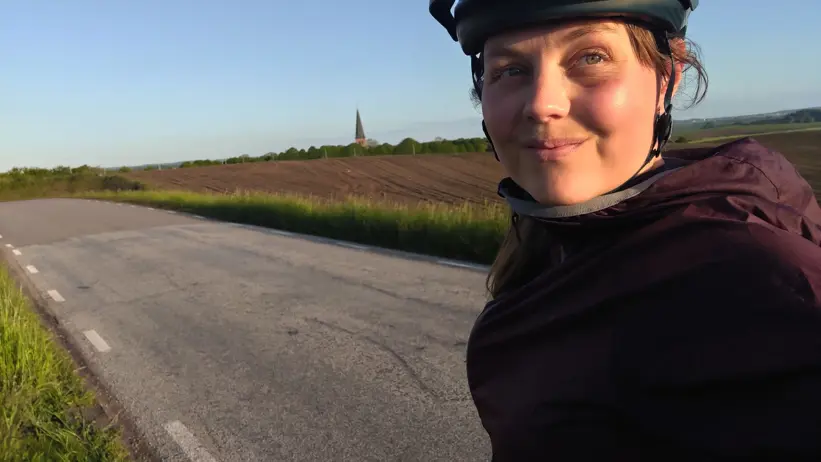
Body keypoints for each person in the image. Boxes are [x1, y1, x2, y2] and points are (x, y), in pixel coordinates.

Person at [429, 0, 821, 460]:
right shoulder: (548, 250)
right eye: (510, 70)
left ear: (666, 82)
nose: (541, 104)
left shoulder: (758, 288)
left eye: (591, 57)